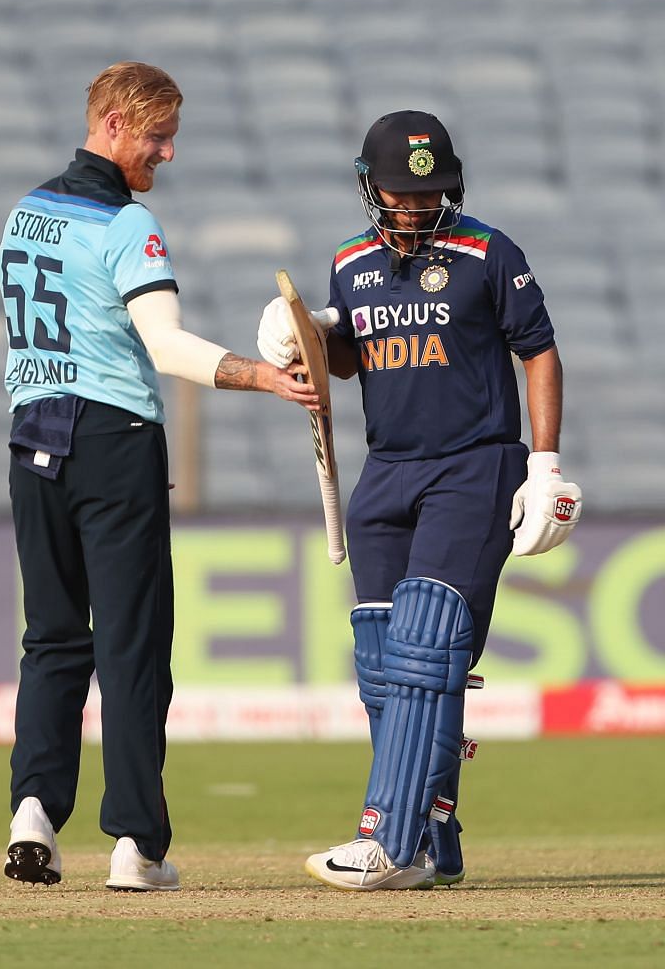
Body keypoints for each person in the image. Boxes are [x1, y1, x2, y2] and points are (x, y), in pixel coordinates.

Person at [0, 61, 317, 892]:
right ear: (111, 126)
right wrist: (264, 376)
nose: (167, 153)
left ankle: (32, 811)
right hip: (112, 439)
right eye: (157, 135)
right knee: (132, 646)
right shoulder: (125, 222)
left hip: (32, 435)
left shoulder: (24, 213)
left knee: (53, 636)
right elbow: (168, 348)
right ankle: (136, 844)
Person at [257, 109, 582, 891]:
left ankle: (387, 839)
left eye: (428, 193)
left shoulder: (487, 252)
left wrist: (543, 465)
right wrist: (302, 333)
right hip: (387, 470)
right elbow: (343, 362)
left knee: (426, 649)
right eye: (400, 194)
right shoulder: (350, 262)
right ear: (370, 188)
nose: (413, 207)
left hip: (474, 466)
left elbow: (537, 351)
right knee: (383, 662)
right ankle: (435, 832)